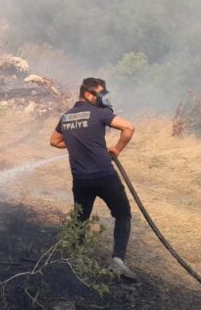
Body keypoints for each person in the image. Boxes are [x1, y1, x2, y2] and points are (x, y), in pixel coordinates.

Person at [50, 77, 137, 279]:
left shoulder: (66, 116)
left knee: (81, 217)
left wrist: (75, 146)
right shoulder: (99, 114)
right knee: (123, 214)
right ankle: (117, 261)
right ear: (88, 94)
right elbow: (129, 128)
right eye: (101, 93)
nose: (103, 98)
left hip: (80, 179)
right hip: (104, 176)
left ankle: (77, 257)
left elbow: (54, 141)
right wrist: (116, 149)